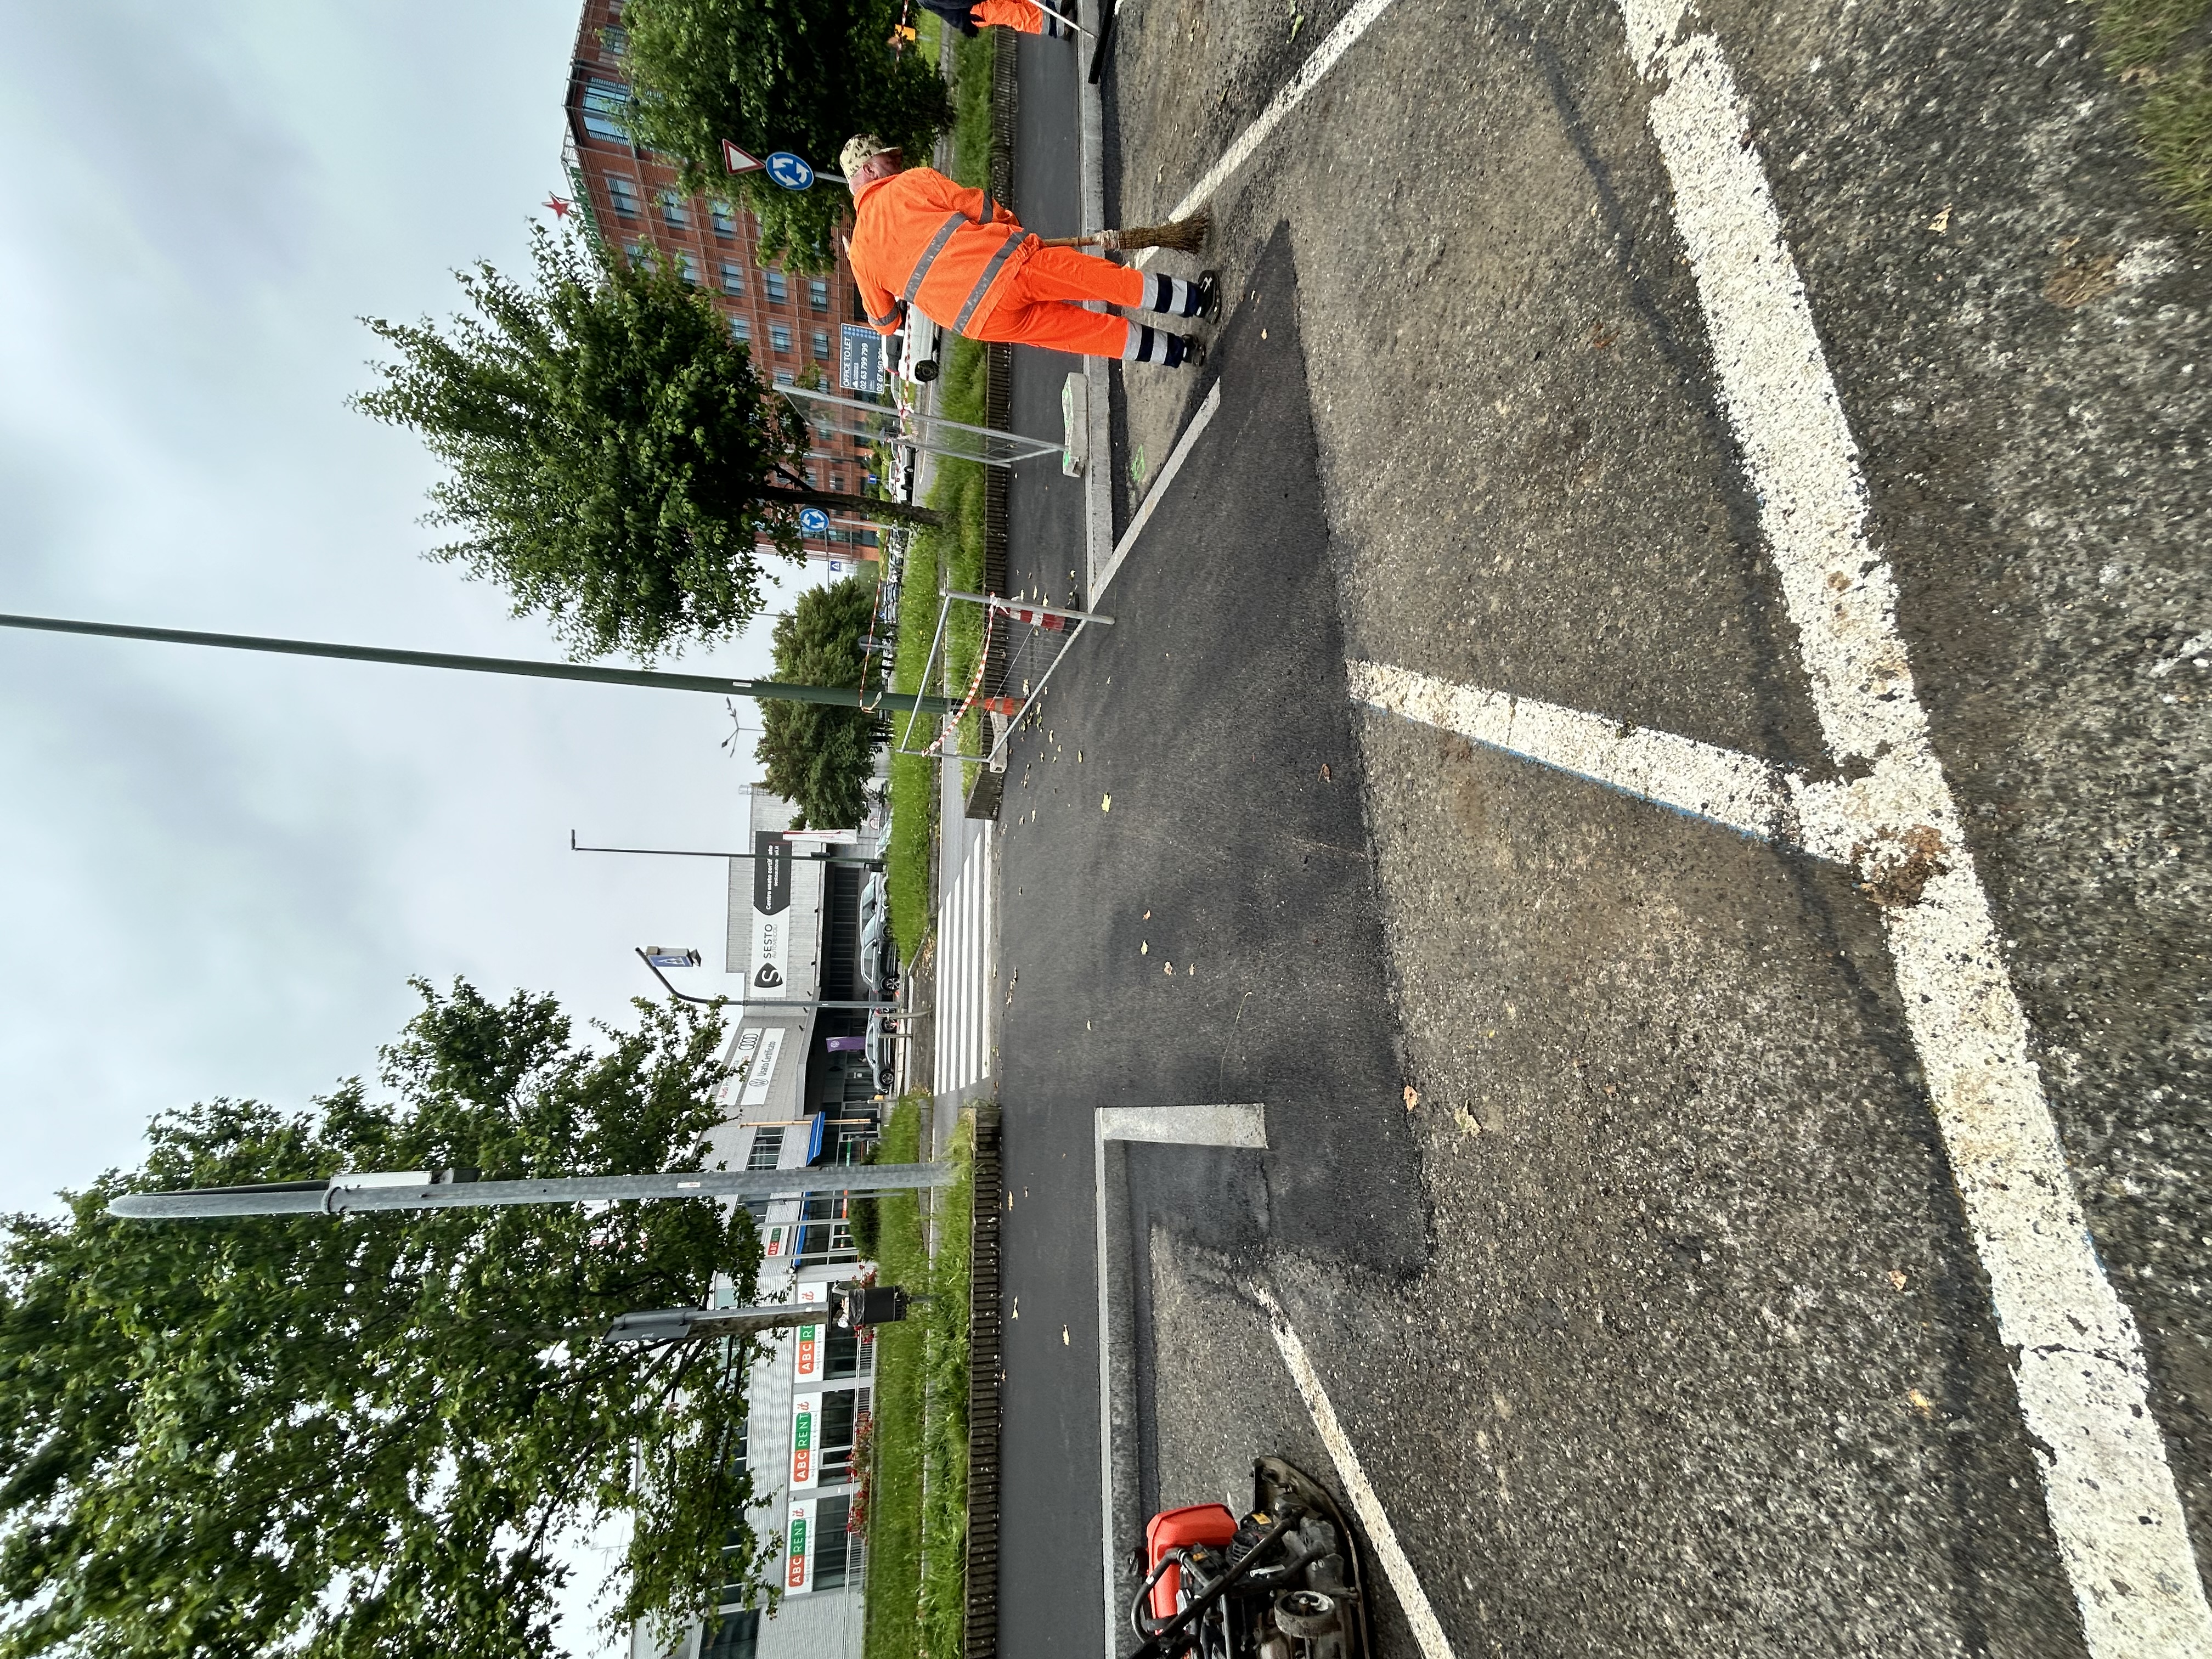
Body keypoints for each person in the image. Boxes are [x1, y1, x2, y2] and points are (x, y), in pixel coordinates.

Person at [841, 134, 1218, 369]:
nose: (897, 163)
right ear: (870, 169)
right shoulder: (910, 183)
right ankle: (1196, 302)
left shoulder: (859, 254)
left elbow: (887, 322)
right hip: (1009, 267)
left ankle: (1180, 353)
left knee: (1088, 334)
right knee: (1104, 282)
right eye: (888, 160)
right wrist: (1013, 230)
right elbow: (982, 209)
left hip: (979, 321)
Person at [919, 0, 1079, 39]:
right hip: (974, 9)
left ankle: (1056, 6)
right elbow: (957, 2)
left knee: (1019, 1)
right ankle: (1059, 28)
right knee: (1015, 13)